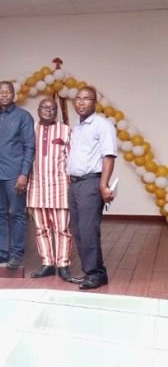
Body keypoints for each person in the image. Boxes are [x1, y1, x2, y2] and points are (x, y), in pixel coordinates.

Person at [0, 81, 35, 269]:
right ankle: (2, 252)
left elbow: (29, 146)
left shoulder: (23, 117)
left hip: (14, 175)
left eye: (7, 92)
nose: (4, 95)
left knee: (17, 214)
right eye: (0, 92)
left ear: (13, 95)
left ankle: (17, 254)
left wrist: (24, 174)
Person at [67, 87, 117, 290]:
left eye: (86, 99)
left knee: (88, 231)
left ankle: (96, 274)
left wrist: (103, 184)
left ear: (94, 102)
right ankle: (93, 272)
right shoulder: (78, 128)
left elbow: (109, 156)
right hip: (75, 183)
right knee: (78, 231)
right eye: (78, 99)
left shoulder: (102, 125)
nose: (81, 102)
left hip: (91, 183)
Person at [28, 98, 73, 281]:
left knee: (63, 229)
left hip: (60, 186)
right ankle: (47, 263)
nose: (48, 110)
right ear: (38, 110)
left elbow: (71, 159)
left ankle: (63, 265)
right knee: (41, 228)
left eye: (52, 108)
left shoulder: (65, 130)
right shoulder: (30, 130)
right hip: (37, 186)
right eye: (44, 107)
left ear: (57, 111)